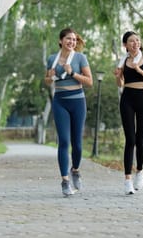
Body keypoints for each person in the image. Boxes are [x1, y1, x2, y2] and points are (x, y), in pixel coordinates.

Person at [45, 28, 93, 196]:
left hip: (78, 101)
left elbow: (89, 81)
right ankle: (65, 181)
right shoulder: (52, 58)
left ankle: (75, 170)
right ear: (61, 41)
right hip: (60, 101)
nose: (71, 42)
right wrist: (49, 76)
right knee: (64, 141)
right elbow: (47, 80)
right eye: (68, 39)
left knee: (77, 143)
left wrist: (73, 72)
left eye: (73, 39)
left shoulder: (80, 58)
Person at [114, 31, 143, 194]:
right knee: (130, 139)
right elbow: (120, 84)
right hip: (127, 98)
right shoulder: (123, 61)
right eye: (132, 41)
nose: (136, 43)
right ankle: (127, 180)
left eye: (138, 40)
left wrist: (139, 70)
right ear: (125, 45)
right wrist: (118, 75)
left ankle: (140, 171)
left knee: (140, 139)